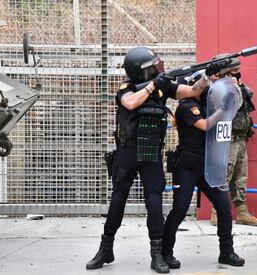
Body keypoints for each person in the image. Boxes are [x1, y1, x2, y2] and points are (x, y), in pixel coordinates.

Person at [85, 46, 225, 274]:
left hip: (151, 154)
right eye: (153, 66)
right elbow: (130, 103)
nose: (158, 68)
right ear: (141, 71)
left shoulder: (164, 87)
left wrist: (208, 75)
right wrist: (154, 85)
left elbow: (191, 91)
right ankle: (105, 248)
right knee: (117, 201)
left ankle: (157, 254)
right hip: (127, 152)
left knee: (154, 203)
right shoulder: (127, 87)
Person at [162, 79, 245, 269]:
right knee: (180, 208)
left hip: (209, 166)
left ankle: (227, 252)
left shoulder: (207, 104)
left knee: (224, 207)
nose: (207, 90)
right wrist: (222, 109)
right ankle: (165, 252)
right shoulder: (186, 107)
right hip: (186, 168)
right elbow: (205, 125)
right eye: (204, 87)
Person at [210, 55, 257, 226]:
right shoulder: (218, 89)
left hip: (240, 138)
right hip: (226, 139)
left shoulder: (237, 86)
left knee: (240, 177)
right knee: (224, 175)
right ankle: (216, 212)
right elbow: (234, 106)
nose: (238, 75)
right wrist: (231, 86)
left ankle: (242, 212)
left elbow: (249, 98)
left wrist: (238, 86)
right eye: (234, 72)